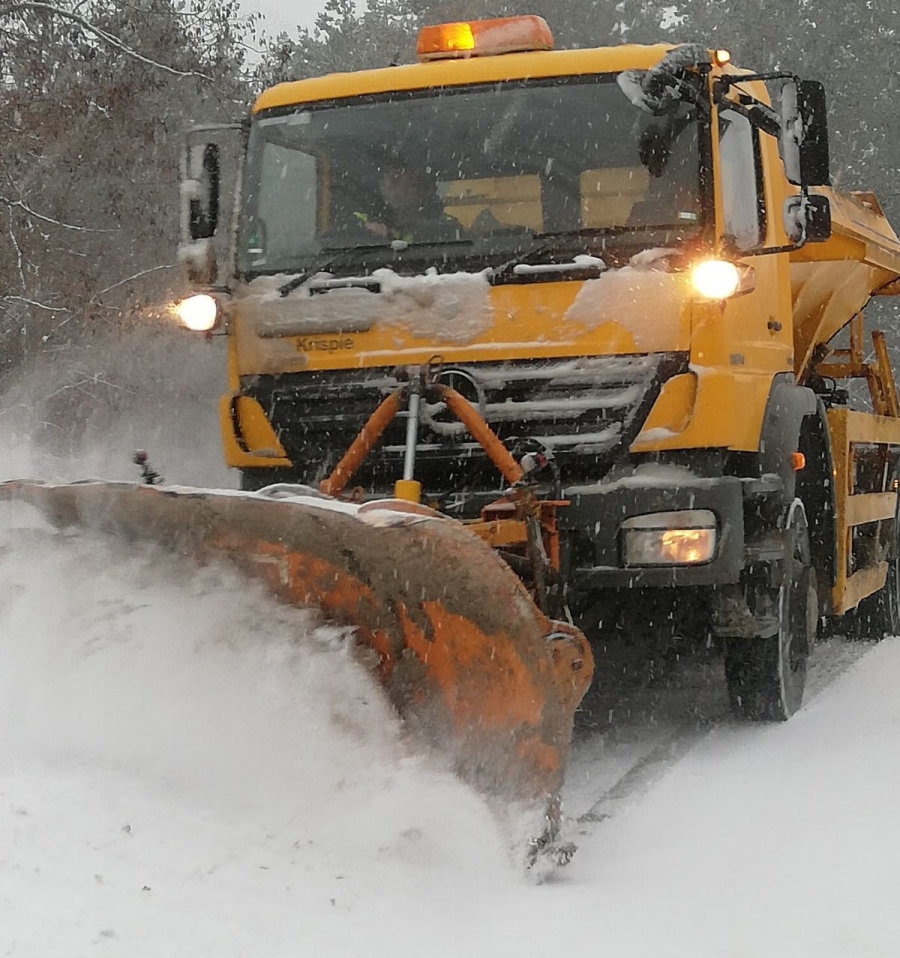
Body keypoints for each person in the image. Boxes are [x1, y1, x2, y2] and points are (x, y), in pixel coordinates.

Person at [356, 162, 463, 243]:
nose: (388, 186)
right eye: (384, 179)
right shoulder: (360, 223)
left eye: (396, 179)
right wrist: (368, 235)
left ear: (420, 187)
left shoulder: (446, 226)